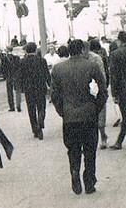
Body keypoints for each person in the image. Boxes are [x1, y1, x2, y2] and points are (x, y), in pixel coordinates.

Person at [51, 40, 107, 195]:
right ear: (82, 50)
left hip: (69, 117)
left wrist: (62, 111)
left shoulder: (58, 69)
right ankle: (89, 180)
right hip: (89, 115)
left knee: (73, 148)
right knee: (90, 150)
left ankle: (74, 171)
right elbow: (103, 90)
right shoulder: (91, 66)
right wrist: (96, 108)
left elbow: (54, 95)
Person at [16, 42, 51, 140]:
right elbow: (46, 75)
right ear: (36, 50)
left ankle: (35, 129)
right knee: (41, 106)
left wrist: (21, 88)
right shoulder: (42, 61)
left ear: (26, 51)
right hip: (40, 88)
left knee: (31, 110)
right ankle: (41, 118)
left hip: (28, 90)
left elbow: (20, 77)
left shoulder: (22, 62)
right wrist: (50, 85)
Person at [84, 41, 109, 149]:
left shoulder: (96, 58)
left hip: (96, 88)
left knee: (100, 115)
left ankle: (103, 135)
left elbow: (102, 74)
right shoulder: (78, 59)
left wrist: (102, 88)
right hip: (85, 90)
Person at [2, 47, 22, 112]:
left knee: (9, 92)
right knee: (17, 91)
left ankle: (12, 107)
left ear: (7, 50)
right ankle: (18, 106)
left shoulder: (4, 58)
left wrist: (4, 76)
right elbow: (19, 67)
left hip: (9, 76)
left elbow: (3, 68)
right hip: (16, 76)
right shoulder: (17, 58)